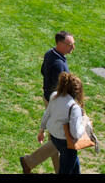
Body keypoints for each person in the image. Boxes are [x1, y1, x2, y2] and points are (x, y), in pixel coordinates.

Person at [20, 31, 74, 173]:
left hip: (49, 99)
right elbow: (62, 89)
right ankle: (29, 161)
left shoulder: (50, 53)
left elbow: (43, 71)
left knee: (55, 139)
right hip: (56, 105)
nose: (73, 48)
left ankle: (56, 169)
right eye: (70, 45)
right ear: (60, 44)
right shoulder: (58, 65)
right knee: (59, 140)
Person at [39, 72, 92, 174]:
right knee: (65, 169)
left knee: (74, 165)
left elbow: (47, 113)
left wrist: (41, 130)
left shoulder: (54, 96)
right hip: (66, 143)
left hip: (54, 137)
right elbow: (75, 133)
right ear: (78, 91)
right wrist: (84, 123)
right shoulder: (74, 107)